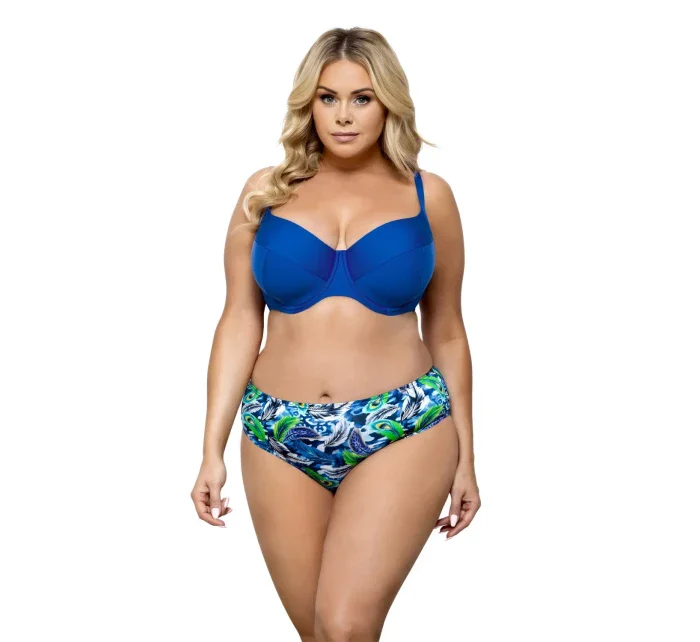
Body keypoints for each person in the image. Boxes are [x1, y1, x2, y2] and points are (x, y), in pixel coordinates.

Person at [191, 27, 480, 641]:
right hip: (277, 430)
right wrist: (210, 448)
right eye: (328, 98)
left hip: (401, 425)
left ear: (388, 103)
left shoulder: (429, 196)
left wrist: (468, 458)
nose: (343, 116)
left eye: (361, 98)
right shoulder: (266, 192)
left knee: (345, 626)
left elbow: (448, 330)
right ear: (309, 103)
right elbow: (238, 319)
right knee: (319, 634)